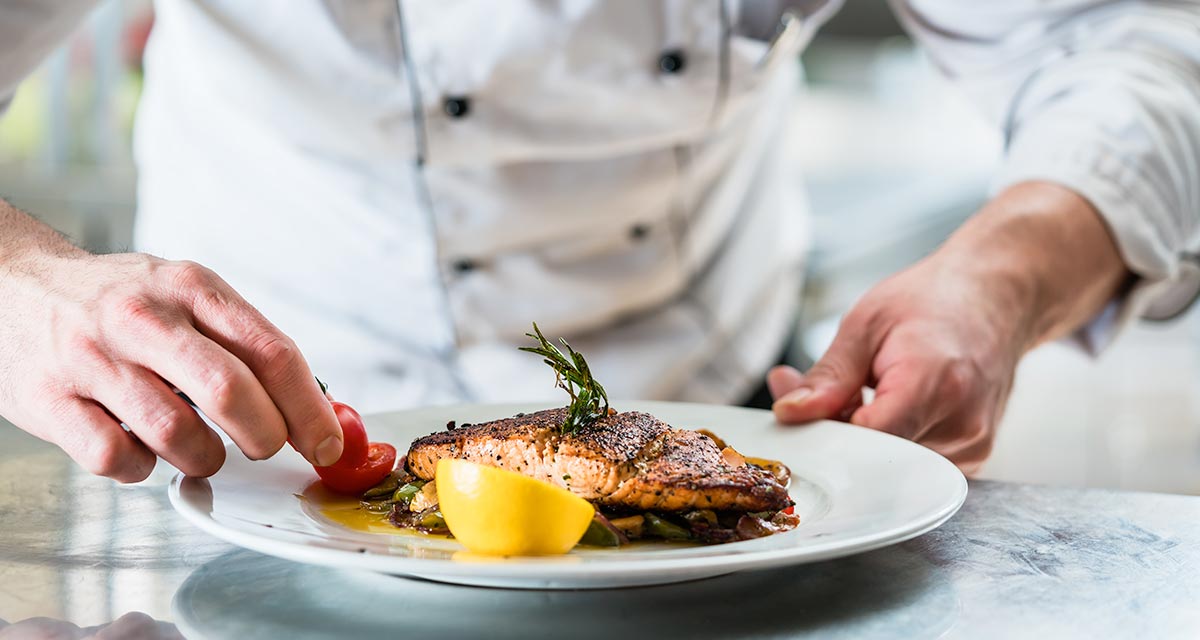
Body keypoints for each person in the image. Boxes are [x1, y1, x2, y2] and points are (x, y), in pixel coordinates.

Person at [0, 1, 1197, 481]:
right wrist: (33, 286)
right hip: (260, 449)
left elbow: (1114, 47)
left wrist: (999, 279)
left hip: (721, 431)